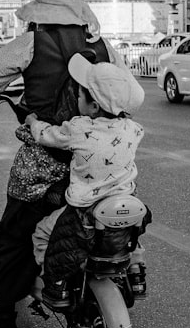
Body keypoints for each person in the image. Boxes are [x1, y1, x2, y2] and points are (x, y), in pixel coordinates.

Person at [0, 0, 123, 328]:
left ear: (42, 7)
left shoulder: (33, 41)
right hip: (96, 161)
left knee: (13, 236)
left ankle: (4, 325)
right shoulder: (102, 47)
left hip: (43, 163)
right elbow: (122, 91)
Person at [24, 53, 145, 307]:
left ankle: (56, 285)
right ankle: (136, 272)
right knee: (128, 237)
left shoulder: (79, 128)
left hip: (85, 212)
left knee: (42, 233)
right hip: (124, 205)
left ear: (93, 107)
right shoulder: (133, 129)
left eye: (80, 94)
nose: (76, 97)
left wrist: (33, 121)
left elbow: (47, 135)